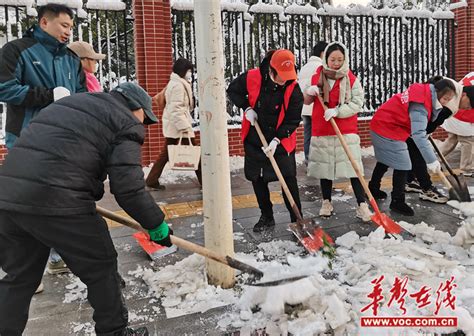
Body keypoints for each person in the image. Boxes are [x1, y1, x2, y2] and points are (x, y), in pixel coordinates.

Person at [0, 82, 170, 336]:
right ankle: (114, 332)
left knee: (21, 277)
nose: (143, 126)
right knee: (101, 266)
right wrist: (156, 224)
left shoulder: (70, 104)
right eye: (145, 119)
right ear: (136, 107)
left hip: (9, 198)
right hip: (59, 202)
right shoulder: (125, 121)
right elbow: (128, 189)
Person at [0, 3, 86, 282]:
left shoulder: (71, 59)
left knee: (59, 196)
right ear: (44, 22)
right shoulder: (18, 50)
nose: (68, 32)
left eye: (71, 27)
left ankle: (58, 255)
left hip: (63, 140)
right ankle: (24, 265)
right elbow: (4, 87)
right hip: (28, 139)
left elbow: (83, 94)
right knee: (31, 199)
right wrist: (47, 95)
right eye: (64, 26)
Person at [368, 78, 473, 216]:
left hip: (392, 123)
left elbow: (424, 123)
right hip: (388, 125)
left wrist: (424, 129)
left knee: (388, 158)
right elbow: (419, 132)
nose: (469, 109)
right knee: (403, 163)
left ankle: (373, 188)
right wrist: (431, 160)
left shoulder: (431, 93)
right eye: (470, 105)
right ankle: (397, 201)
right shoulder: (425, 104)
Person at [227, 49, 303, 232]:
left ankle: (297, 218)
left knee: (288, 179)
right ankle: (266, 216)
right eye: (280, 76)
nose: (284, 80)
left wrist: (277, 140)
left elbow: (293, 119)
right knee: (257, 179)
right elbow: (233, 91)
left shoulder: (294, 89)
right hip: (256, 138)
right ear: (271, 70)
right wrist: (246, 108)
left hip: (281, 140)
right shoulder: (253, 77)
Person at [303, 42, 372, 222]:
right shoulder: (317, 76)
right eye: (332, 59)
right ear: (326, 58)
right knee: (325, 169)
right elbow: (307, 101)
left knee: (353, 168)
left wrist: (338, 111)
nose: (336, 63)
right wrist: (309, 92)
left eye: (340, 60)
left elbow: (357, 103)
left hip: (345, 128)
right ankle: (326, 202)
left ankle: (361, 204)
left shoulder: (350, 78)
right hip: (323, 127)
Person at [146, 58, 202, 189]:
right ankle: (205, 182)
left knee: (165, 155)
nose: (190, 73)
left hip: (175, 125)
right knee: (194, 153)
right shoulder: (177, 85)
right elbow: (175, 110)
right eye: (188, 71)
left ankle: (151, 180)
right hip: (179, 125)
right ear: (183, 71)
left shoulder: (177, 83)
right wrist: (185, 127)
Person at [298, 41, 328, 162]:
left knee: (308, 134)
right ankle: (318, 161)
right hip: (315, 106)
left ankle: (308, 160)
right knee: (318, 136)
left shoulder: (305, 67)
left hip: (304, 106)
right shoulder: (320, 67)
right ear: (322, 53)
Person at [439, 73, 474, 176]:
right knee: (468, 142)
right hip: (464, 115)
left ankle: (434, 160)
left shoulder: (471, 75)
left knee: (451, 140)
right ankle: (467, 168)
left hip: (453, 113)